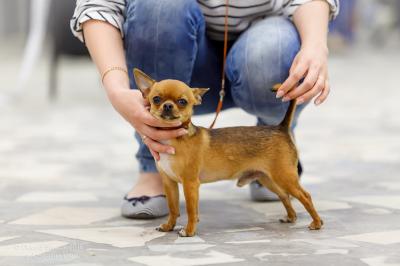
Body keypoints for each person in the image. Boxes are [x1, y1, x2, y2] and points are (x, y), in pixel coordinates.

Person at [71, 0, 339, 219]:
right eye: (157, 101)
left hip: (262, 46)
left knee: (274, 48)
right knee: (160, 8)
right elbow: (99, 5)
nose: (166, 107)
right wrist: (116, 87)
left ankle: (270, 153)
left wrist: (316, 45)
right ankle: (153, 163)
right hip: (178, 51)